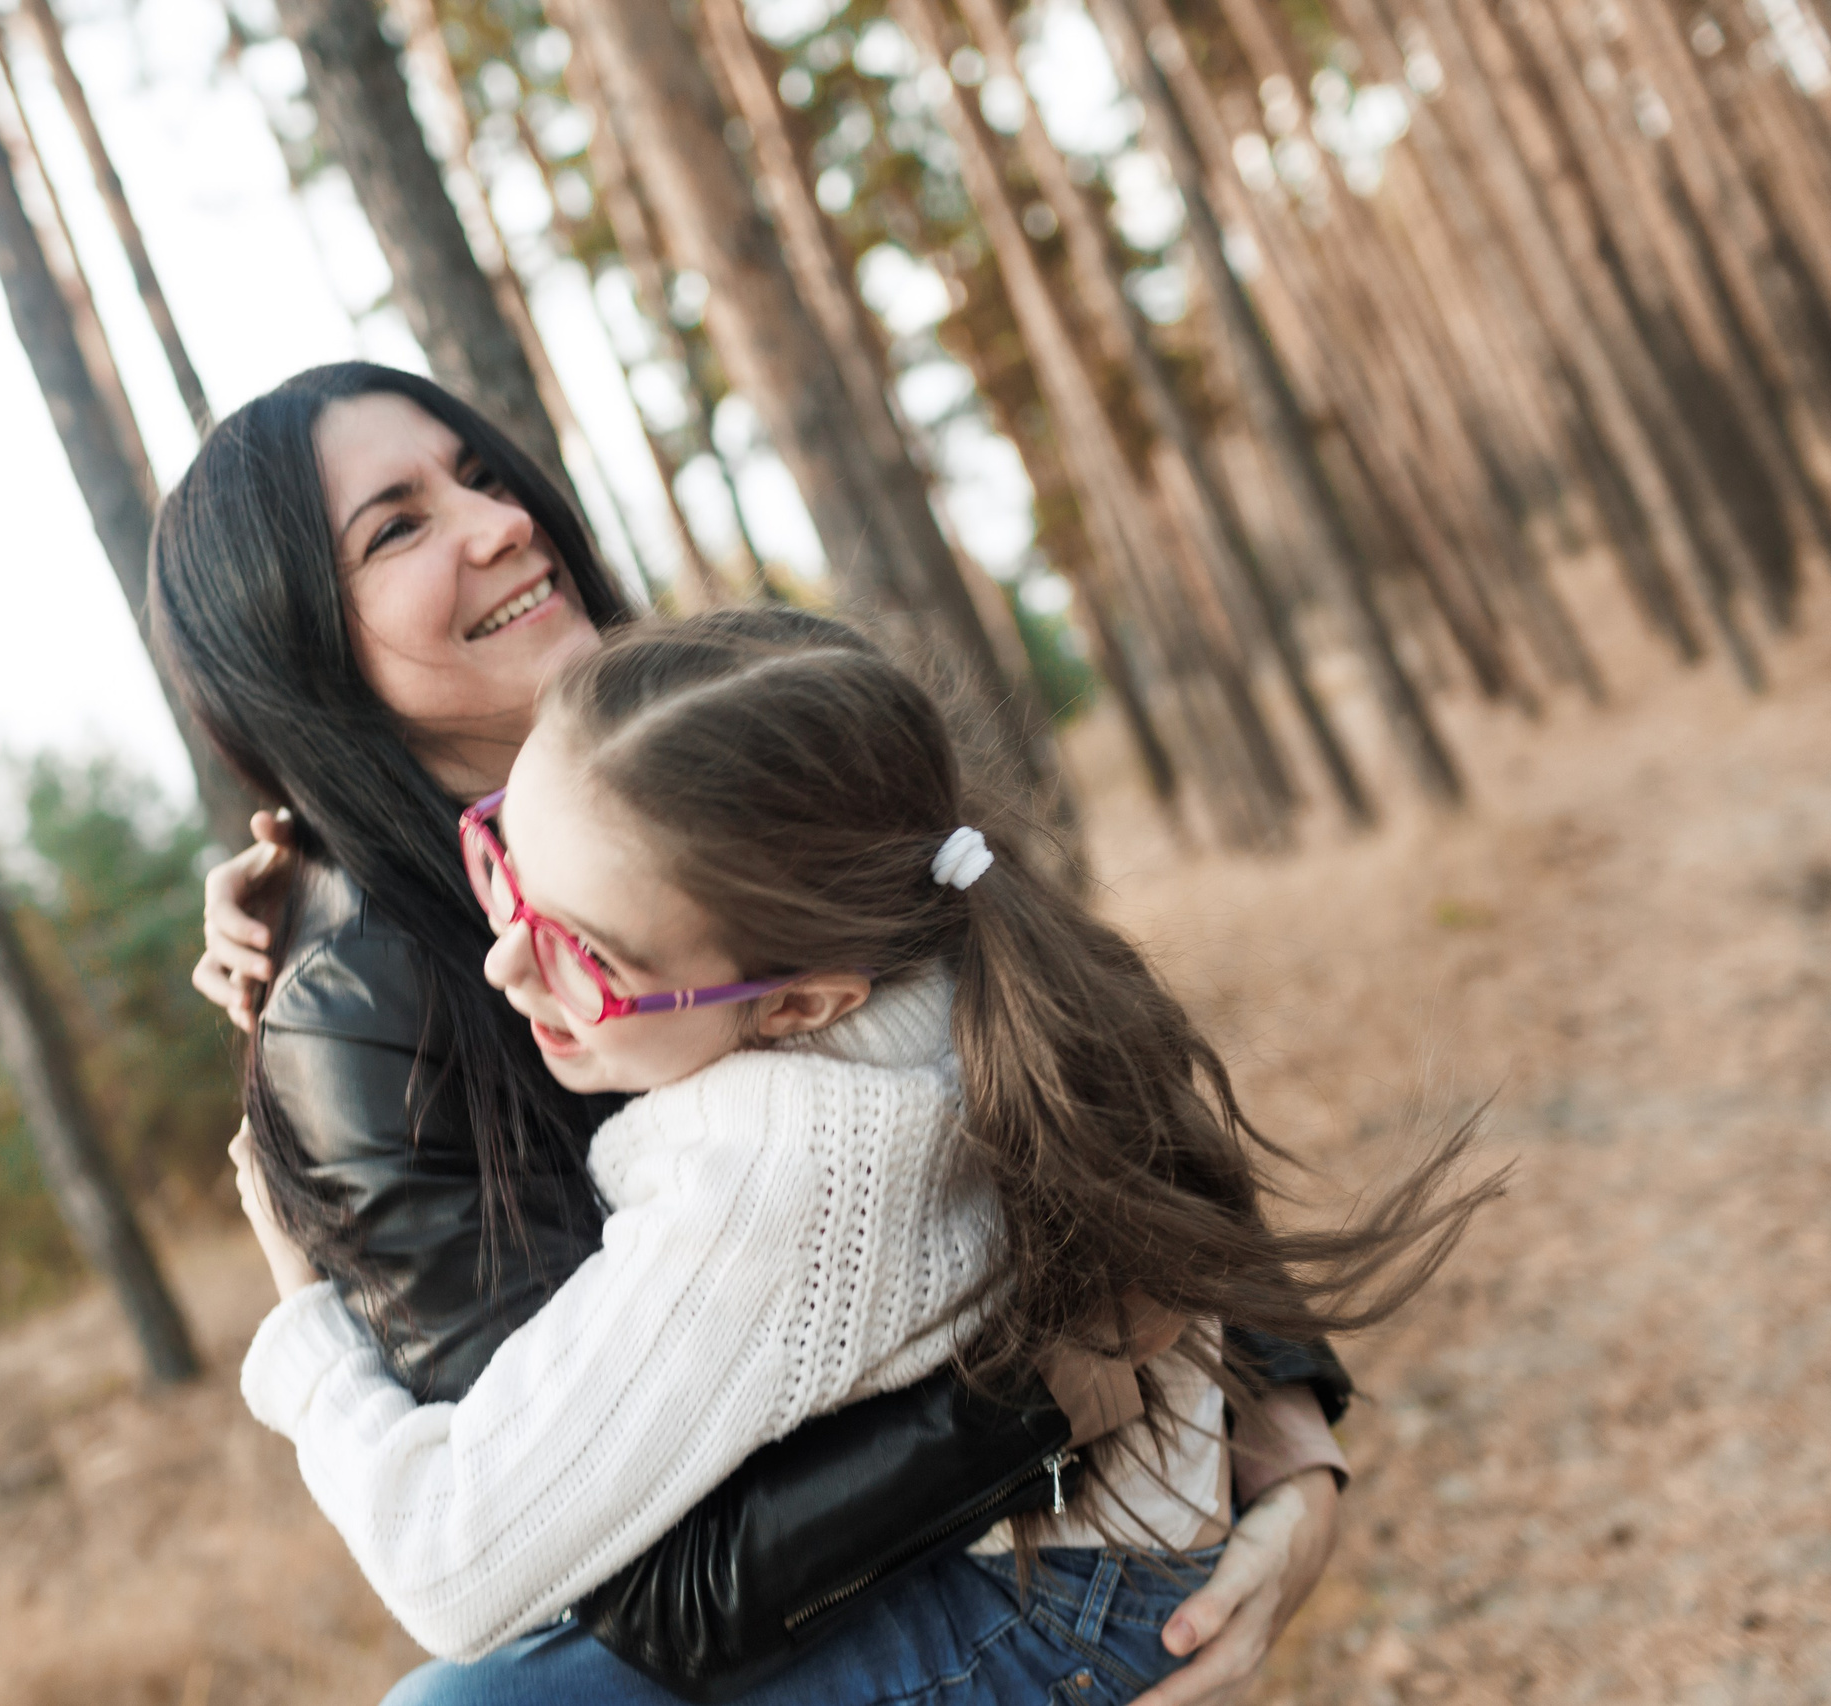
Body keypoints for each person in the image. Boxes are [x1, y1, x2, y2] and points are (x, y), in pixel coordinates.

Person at [157, 361, 1358, 1702]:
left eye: (480, 473)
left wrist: (1287, 1424)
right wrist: (1061, 1381)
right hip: (884, 1577)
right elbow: (640, 1587)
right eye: (397, 528)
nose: (498, 523)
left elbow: (1079, 1051)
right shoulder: (375, 1013)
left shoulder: (725, 720)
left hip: (1059, 1554)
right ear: (298, 650)